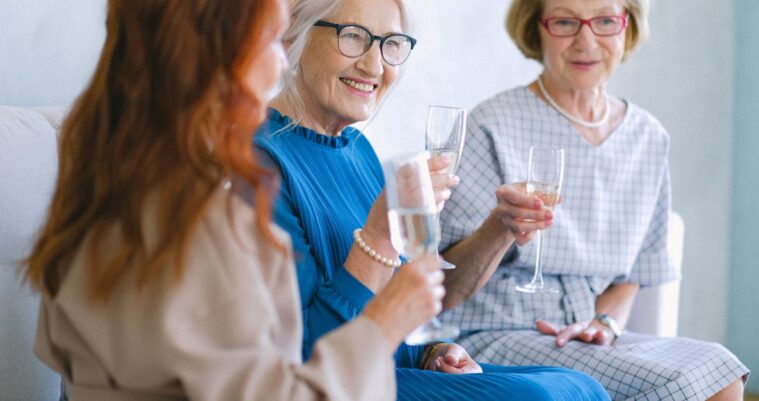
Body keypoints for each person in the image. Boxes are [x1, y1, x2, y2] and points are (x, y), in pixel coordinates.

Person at [24, 0, 449, 400]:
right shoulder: (197, 215)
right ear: (216, 53)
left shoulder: (111, 181)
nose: (283, 62)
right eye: (273, 40)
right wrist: (386, 321)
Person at [253, 0, 612, 399]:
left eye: (391, 44)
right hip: (339, 383)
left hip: (393, 367)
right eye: (352, 37)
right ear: (292, 38)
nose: (374, 67)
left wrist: (434, 352)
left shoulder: (358, 149)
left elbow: (397, 304)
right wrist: (378, 236)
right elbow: (302, 356)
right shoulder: (260, 163)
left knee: (582, 386)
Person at [436, 0, 749, 400]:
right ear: (537, 28)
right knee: (693, 381)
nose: (586, 40)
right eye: (565, 21)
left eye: (604, 21)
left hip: (587, 336)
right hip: (496, 331)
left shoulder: (648, 137)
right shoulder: (491, 123)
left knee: (721, 367)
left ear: (626, 28)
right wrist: (499, 228)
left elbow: (634, 271)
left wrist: (605, 322)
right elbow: (447, 287)